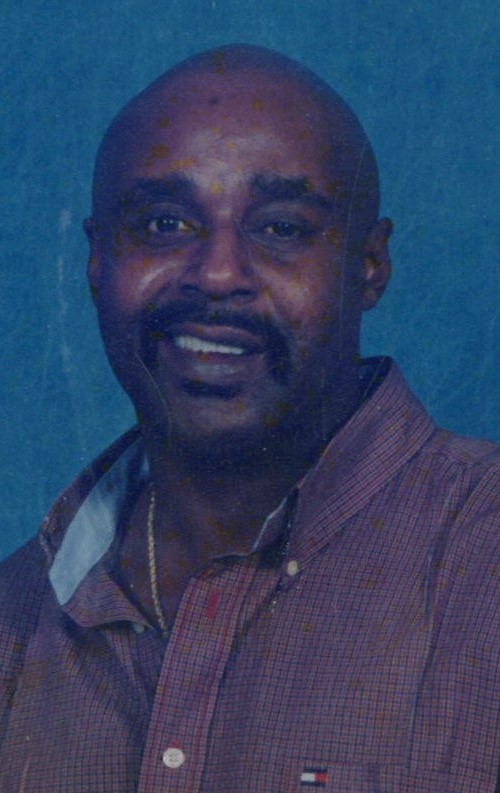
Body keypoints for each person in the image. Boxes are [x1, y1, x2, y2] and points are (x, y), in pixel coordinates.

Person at [0, 44, 498, 793]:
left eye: (282, 228)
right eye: (165, 223)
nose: (217, 273)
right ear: (98, 262)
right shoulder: (17, 614)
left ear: (369, 264)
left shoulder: (483, 557)